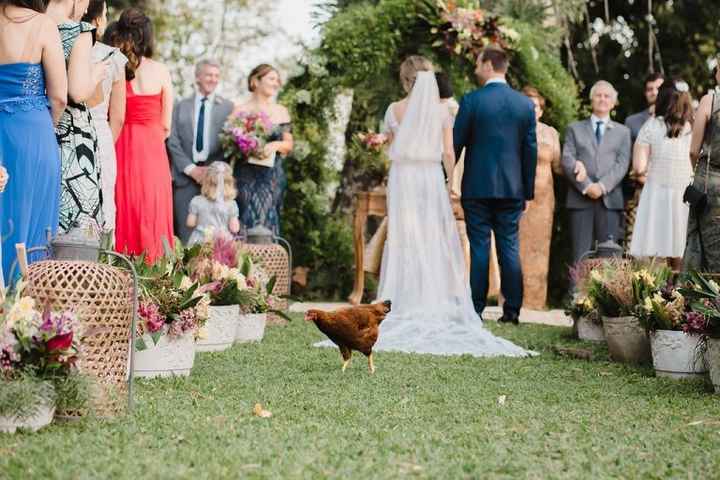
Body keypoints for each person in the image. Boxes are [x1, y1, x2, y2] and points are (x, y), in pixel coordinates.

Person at [322, 54, 532, 357]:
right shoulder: (443, 111)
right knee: (437, 238)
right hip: (431, 177)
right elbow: (449, 151)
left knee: (406, 238)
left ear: (406, 79)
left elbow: (394, 146)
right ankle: (502, 309)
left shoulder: (394, 109)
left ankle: (404, 300)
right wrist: (448, 182)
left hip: (403, 177)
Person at [453, 47, 537, 325]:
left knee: (479, 247)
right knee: (509, 248)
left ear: (488, 65)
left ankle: (476, 309)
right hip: (512, 189)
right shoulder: (524, 105)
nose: (476, 68)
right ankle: (511, 312)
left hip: (477, 187)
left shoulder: (472, 101)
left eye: (478, 63)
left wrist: (445, 177)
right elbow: (530, 151)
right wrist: (527, 191)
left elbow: (455, 144)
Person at [0, 0, 66, 282]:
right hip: (34, 131)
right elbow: (60, 96)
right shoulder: (43, 24)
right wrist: (48, 127)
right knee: (35, 222)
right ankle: (28, 311)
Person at [107, 8, 174, 262]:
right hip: (152, 150)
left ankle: (119, 270)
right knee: (152, 209)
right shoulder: (161, 70)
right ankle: (155, 273)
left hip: (119, 144)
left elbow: (114, 114)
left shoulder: (115, 66)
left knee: (122, 205)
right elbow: (166, 123)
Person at [47, 0, 107, 233]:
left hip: (37, 122)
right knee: (77, 217)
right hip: (71, 135)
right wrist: (95, 75)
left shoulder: (33, 26)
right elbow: (77, 91)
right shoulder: (78, 31)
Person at [561, 80, 631, 264]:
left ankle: (606, 294)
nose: (602, 99)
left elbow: (622, 164)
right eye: (598, 95)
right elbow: (567, 159)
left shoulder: (623, 132)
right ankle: (576, 293)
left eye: (607, 96)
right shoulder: (573, 129)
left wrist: (601, 186)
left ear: (613, 102)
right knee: (579, 256)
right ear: (591, 99)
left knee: (608, 258)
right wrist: (586, 186)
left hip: (610, 201)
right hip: (580, 199)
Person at [167, 59, 234, 244]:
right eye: (208, 75)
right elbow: (172, 141)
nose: (213, 79)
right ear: (197, 77)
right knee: (185, 234)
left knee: (216, 237)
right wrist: (192, 170)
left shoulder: (229, 108)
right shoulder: (180, 106)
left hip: (216, 180)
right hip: (185, 178)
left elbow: (230, 145)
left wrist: (212, 171)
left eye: (216, 76)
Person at [629, 79, 693, 270]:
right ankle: (682, 294)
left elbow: (639, 167)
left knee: (655, 249)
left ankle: (658, 295)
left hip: (656, 193)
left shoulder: (651, 126)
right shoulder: (693, 126)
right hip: (685, 194)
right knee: (681, 246)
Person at [233, 64, 293, 237]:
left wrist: (273, 145)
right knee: (243, 218)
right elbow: (229, 143)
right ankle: (242, 263)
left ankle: (269, 262)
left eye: (278, 80)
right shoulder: (240, 110)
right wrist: (247, 145)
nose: (276, 83)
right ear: (255, 81)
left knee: (269, 219)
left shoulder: (281, 111)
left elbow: (288, 145)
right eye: (271, 79)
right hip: (245, 176)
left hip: (271, 177)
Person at [82, 1, 127, 234]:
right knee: (103, 201)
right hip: (100, 134)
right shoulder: (113, 57)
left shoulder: (62, 46)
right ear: (98, 20)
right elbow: (118, 118)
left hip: (65, 131)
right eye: (106, 13)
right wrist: (106, 140)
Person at [518, 86, 561, 309]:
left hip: (543, 200)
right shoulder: (511, 130)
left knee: (540, 250)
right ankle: (513, 299)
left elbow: (560, 166)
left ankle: (535, 302)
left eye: (534, 106)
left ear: (541, 111)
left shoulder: (551, 133)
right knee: (515, 248)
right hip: (517, 198)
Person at [683, 66, 720, 272]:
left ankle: (705, 300)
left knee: (705, 247)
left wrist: (698, 172)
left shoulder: (710, 100)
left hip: (709, 184)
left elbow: (693, 150)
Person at [623, 72, 664, 244]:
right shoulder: (632, 121)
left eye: (658, 88)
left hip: (668, 187)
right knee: (636, 241)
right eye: (649, 89)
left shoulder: (678, 120)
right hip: (639, 190)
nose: (654, 92)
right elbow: (626, 157)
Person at [186, 161, 240, 245]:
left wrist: (203, 225)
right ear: (229, 183)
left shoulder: (196, 200)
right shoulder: (231, 204)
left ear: (206, 181)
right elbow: (234, 228)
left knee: (198, 257)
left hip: (200, 240)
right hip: (222, 241)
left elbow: (190, 223)